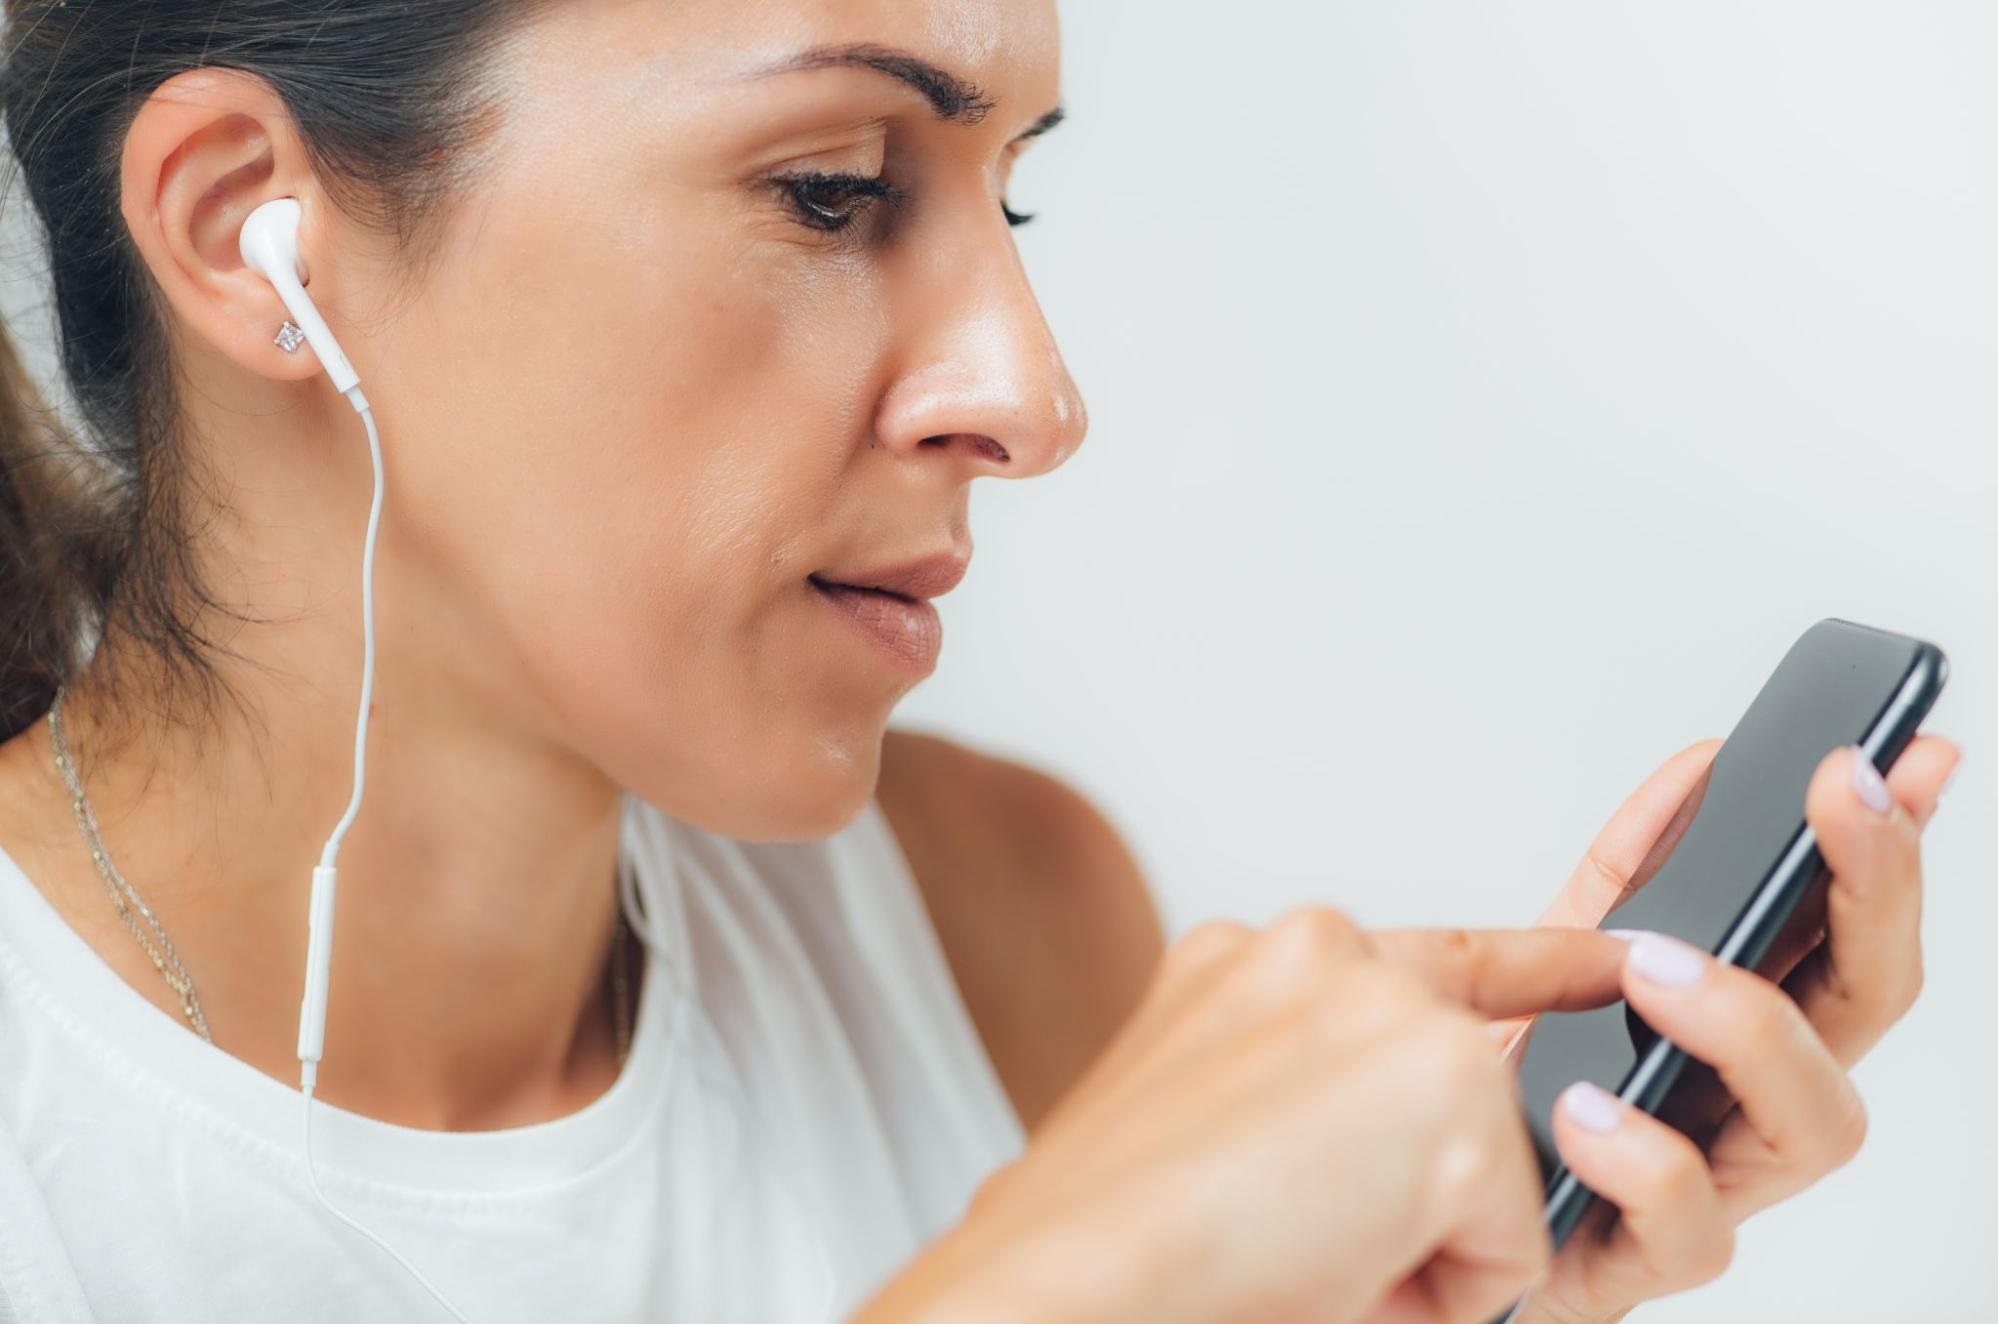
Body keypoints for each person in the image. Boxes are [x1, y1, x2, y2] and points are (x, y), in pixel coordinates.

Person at [0, 2, 1962, 1322]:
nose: (1034, 396)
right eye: (833, 189)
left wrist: (1454, 1281)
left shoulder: (1002, 911)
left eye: (1007, 194)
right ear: (255, 229)